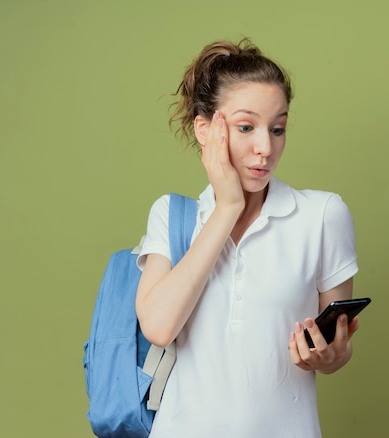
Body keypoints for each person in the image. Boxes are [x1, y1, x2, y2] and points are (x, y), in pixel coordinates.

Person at [135, 37, 359, 437]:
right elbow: (158, 327)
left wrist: (329, 356)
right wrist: (227, 208)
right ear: (205, 130)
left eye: (278, 129)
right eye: (246, 127)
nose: (265, 148)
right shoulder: (172, 215)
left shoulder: (322, 216)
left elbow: (336, 348)